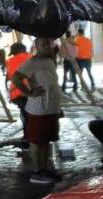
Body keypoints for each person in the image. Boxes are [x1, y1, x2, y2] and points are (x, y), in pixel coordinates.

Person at [10, 37, 65, 184]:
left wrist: (58, 108)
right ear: (37, 45)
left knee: (46, 141)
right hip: (38, 109)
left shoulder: (49, 61)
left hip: (51, 108)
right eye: (44, 44)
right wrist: (29, 93)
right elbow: (16, 78)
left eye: (48, 43)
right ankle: (37, 172)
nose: (47, 46)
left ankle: (44, 169)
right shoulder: (32, 62)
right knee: (36, 141)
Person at [4, 41, 31, 147]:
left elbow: (11, 77)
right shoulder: (32, 58)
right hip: (34, 92)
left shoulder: (11, 61)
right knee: (31, 116)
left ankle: (28, 138)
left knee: (25, 116)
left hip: (19, 94)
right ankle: (30, 137)